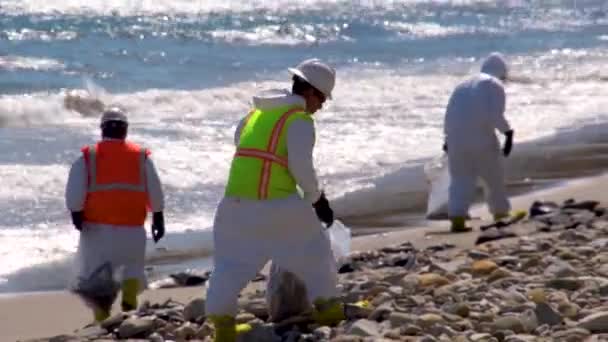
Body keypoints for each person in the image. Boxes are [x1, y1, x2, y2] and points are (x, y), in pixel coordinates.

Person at [204, 58, 342, 341]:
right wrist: (318, 200)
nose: (321, 106)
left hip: (233, 205)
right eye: (322, 99)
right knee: (316, 252)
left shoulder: (254, 115)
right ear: (310, 92)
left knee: (230, 265)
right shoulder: (299, 121)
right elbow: (301, 167)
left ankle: (223, 328)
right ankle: (328, 309)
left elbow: (241, 143)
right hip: (279, 204)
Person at [65, 107, 166, 321]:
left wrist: (76, 213)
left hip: (98, 230)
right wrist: (158, 215)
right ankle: (129, 302)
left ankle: (102, 318)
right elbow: (155, 189)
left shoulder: (88, 157)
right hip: (132, 229)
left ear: (102, 130)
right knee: (132, 268)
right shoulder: (141, 157)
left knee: (99, 276)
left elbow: (74, 191)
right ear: (125, 130)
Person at [443, 52, 515, 232]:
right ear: (501, 72)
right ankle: (501, 214)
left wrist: (447, 140)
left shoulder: (462, 85)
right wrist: (508, 133)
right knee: (493, 177)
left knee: (460, 179)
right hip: (481, 139)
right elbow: (494, 115)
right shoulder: (494, 85)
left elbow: (450, 114)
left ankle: (457, 220)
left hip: (456, 140)